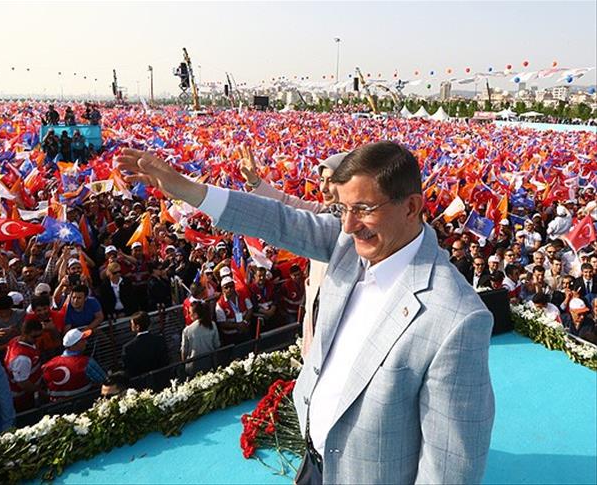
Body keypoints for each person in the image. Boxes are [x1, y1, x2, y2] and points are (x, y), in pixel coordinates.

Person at [118, 141, 495, 484]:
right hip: (313, 465)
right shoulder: (349, 243)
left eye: (363, 210)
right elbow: (278, 220)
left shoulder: (456, 319)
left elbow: (450, 469)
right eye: (344, 210)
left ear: (411, 207)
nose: (349, 226)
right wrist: (188, 189)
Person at [241, 147, 347, 356]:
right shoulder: (323, 212)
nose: (323, 187)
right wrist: (255, 182)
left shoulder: (361, 228)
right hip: (316, 321)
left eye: (331, 180)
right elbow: (287, 203)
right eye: (321, 180)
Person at [42, 328, 106, 401]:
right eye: (82, 340)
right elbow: (104, 381)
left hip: (56, 406)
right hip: (85, 401)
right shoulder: (87, 362)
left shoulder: (48, 365)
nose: (86, 342)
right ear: (74, 345)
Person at [3, 320, 43, 411]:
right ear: (24, 334)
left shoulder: (16, 340)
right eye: (34, 337)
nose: (37, 339)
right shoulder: (22, 358)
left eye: (40, 335)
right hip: (22, 396)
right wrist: (41, 392)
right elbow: (23, 384)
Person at [121, 311, 169, 378]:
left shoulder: (128, 348)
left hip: (140, 381)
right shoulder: (159, 340)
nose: (131, 326)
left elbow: (128, 369)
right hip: (160, 378)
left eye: (132, 324)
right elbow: (165, 361)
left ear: (137, 326)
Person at [181, 300, 220, 376]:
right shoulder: (212, 325)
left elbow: (184, 352)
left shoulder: (187, 330)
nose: (189, 315)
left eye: (190, 312)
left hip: (193, 366)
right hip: (210, 363)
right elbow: (217, 345)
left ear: (195, 314)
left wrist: (183, 365)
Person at [214, 276, 254, 345]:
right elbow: (222, 323)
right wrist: (237, 325)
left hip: (246, 329)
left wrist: (245, 322)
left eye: (231, 286)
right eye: (226, 287)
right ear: (222, 289)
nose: (229, 289)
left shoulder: (242, 294)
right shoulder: (220, 304)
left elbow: (250, 308)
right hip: (231, 335)